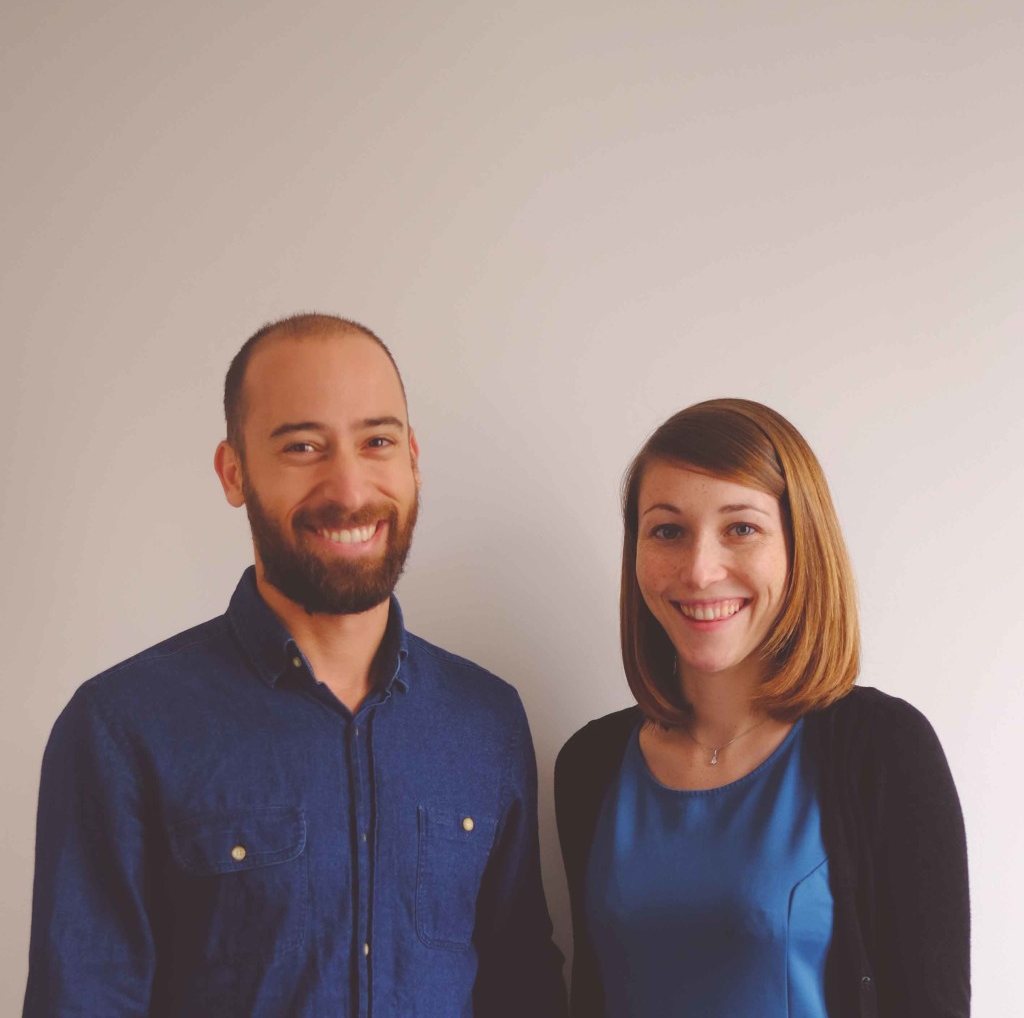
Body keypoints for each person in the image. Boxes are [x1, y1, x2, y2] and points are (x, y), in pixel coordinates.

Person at [24, 314, 567, 1017]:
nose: (349, 488)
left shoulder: (487, 720)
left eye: (377, 442)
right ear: (234, 472)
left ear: (413, 459)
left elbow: (521, 984)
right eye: (303, 447)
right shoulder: (120, 729)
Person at [555, 398, 969, 1018]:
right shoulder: (589, 764)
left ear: (801, 545)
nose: (700, 570)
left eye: (741, 528)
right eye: (667, 531)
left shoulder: (884, 749)